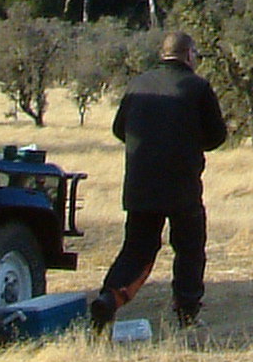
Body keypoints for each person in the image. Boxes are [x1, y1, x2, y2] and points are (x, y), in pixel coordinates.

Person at [92, 31, 227, 330]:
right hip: (182, 184)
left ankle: (108, 299)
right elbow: (217, 136)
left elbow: (119, 129)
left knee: (137, 249)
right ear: (189, 55)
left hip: (140, 183)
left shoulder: (138, 84)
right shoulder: (198, 87)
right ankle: (187, 312)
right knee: (190, 249)